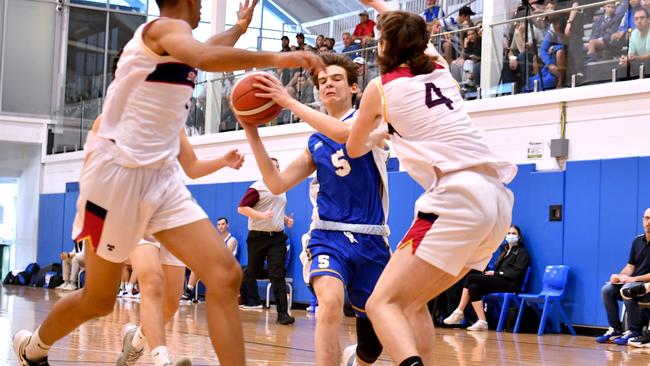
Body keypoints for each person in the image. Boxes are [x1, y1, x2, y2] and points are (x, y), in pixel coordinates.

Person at [12, 0, 324, 363]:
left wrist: (238, 29)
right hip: (114, 181)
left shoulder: (175, 42)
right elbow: (205, 56)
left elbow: (203, 52)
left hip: (161, 180)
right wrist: (280, 58)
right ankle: (33, 349)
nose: (204, 7)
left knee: (224, 274)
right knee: (98, 299)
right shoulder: (161, 29)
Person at [344, 2, 517, 365]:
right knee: (410, 301)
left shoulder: (380, 88)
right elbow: (414, 27)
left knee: (380, 302)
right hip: (498, 200)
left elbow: (354, 146)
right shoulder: (438, 67)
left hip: (457, 196)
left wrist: (380, 132)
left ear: (387, 47)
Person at [245, 52, 390, 366]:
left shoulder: (371, 119)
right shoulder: (315, 143)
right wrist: (250, 130)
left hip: (371, 241)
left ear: (354, 88)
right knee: (330, 304)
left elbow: (346, 135)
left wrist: (287, 101)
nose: (328, 85)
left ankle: (357, 358)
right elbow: (277, 181)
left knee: (373, 348)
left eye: (336, 79)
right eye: (323, 81)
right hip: (328, 235)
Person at [237, 160, 296, 325]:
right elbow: (241, 208)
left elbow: (277, 210)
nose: (275, 169)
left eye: (277, 167)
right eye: (271, 166)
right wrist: (262, 215)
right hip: (258, 237)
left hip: (277, 237)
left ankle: (283, 314)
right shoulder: (257, 187)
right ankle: (236, 276)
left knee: (278, 274)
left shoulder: (282, 188)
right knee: (252, 273)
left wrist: (285, 219)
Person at [443, 225, 530, 331]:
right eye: (509, 233)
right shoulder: (504, 251)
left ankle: (459, 311)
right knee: (474, 287)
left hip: (510, 284)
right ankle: (482, 321)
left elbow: (516, 273)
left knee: (471, 277)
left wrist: (496, 273)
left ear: (519, 237)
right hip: (500, 281)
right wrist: (492, 273)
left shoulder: (522, 252)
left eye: (514, 234)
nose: (510, 236)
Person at [596, 208, 650, 345]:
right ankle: (615, 329)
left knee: (627, 287)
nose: (649, 222)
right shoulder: (637, 241)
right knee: (607, 290)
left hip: (645, 286)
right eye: (647, 218)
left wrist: (631, 280)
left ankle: (634, 331)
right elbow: (630, 267)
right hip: (632, 284)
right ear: (643, 220)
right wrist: (620, 276)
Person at [182, 217, 239, 301]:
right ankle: (185, 291)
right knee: (185, 263)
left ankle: (188, 292)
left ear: (227, 225)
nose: (221, 226)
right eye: (219, 225)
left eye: (223, 224)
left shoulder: (232, 240)